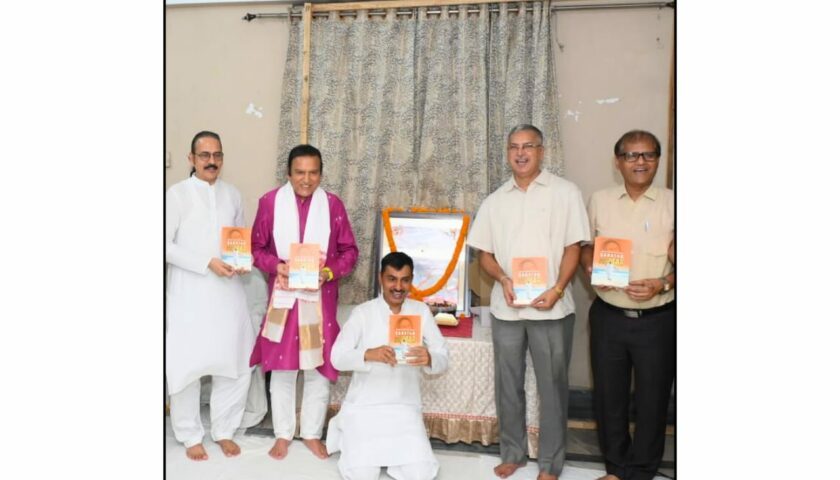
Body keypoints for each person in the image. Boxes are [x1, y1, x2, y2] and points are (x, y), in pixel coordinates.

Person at [466, 124, 590, 480]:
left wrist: (558, 288)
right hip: (507, 309)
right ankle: (513, 453)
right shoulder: (495, 200)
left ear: (541, 151)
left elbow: (573, 246)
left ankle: (550, 464)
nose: (520, 153)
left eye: (528, 146)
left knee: (552, 387)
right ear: (507, 153)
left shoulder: (565, 193)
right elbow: (485, 254)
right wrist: (503, 279)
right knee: (508, 384)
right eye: (514, 147)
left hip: (552, 308)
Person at [250, 144, 359, 460]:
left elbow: (350, 252)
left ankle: (311, 433)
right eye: (300, 172)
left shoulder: (333, 205)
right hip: (284, 300)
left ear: (321, 174)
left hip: (318, 299)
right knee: (282, 368)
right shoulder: (270, 202)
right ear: (288, 173)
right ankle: (282, 434)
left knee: (316, 368)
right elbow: (256, 248)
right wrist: (277, 266)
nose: (306, 179)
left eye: (313, 173)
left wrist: (328, 272)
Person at [579, 130, 675, 480]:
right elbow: (586, 247)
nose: (640, 162)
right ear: (618, 162)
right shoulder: (600, 200)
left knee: (653, 400)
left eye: (648, 155)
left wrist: (665, 282)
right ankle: (616, 469)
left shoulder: (674, 203)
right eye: (631, 155)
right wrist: (591, 268)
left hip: (658, 319)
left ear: (658, 160)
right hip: (609, 316)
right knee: (609, 398)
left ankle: (642, 472)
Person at [165, 130, 256, 460]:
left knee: (234, 359)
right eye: (204, 155)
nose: (211, 161)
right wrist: (206, 262)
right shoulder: (176, 195)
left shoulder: (232, 194)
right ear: (191, 158)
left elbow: (238, 240)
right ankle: (189, 434)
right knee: (187, 363)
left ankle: (224, 430)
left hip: (228, 293)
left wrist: (242, 261)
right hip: (189, 295)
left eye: (217, 155)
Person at [326, 251, 449, 480]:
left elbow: (443, 355)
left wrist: (430, 358)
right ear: (380, 278)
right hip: (365, 408)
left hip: (404, 410)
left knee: (421, 474)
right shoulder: (363, 313)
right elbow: (337, 357)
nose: (398, 287)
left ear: (411, 281)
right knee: (362, 475)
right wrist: (368, 354)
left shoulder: (420, 312)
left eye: (405, 280)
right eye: (392, 279)